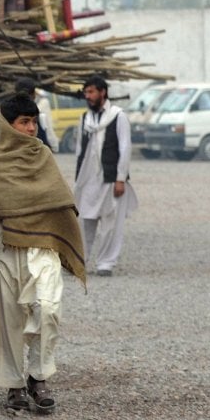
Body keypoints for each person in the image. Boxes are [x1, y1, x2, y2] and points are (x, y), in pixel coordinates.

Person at [0, 93, 86, 415]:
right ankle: (15, 385)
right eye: (24, 122)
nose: (30, 128)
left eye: (33, 122)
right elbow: (6, 202)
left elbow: (58, 198)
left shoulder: (44, 155)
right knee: (10, 318)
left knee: (47, 309)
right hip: (8, 247)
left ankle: (38, 378)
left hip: (44, 247)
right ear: (9, 125)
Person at [73, 74, 137, 277]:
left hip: (111, 179)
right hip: (89, 180)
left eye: (91, 92)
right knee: (85, 221)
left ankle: (105, 263)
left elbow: (125, 148)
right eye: (86, 92)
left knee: (110, 224)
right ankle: (79, 261)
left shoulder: (118, 116)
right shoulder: (85, 118)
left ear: (103, 92)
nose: (88, 96)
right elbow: (78, 150)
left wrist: (120, 178)